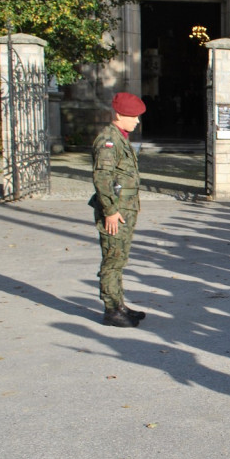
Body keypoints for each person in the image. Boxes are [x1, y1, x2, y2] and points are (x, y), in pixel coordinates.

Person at [91, 93, 147, 328]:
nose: (136, 121)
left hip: (124, 210)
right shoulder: (108, 140)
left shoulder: (120, 138)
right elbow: (102, 177)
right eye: (133, 116)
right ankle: (112, 310)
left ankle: (119, 304)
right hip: (115, 212)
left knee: (120, 258)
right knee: (112, 260)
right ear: (118, 115)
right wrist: (110, 211)